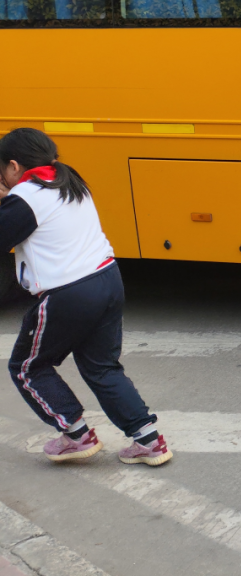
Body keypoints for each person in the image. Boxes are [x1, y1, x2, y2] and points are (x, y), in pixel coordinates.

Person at [1, 128, 172, 466]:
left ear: (14, 166)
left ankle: (76, 435)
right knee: (102, 367)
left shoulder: (27, 197)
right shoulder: (68, 180)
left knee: (27, 367)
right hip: (107, 279)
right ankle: (149, 441)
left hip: (69, 291)